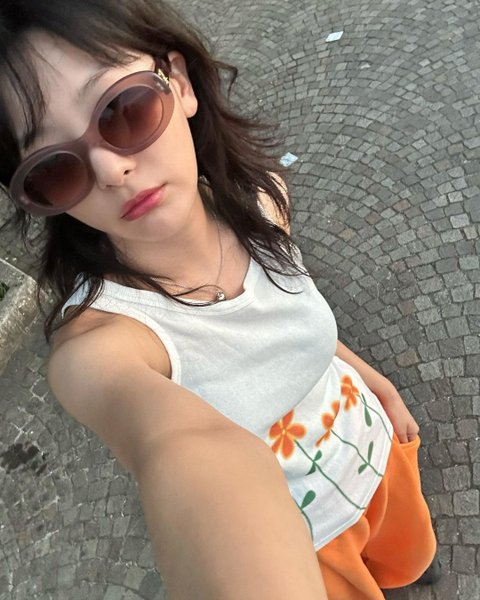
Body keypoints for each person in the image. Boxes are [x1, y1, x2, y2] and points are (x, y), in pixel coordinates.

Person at [0, 1, 439, 598]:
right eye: (55, 168)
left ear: (179, 84)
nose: (109, 169)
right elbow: (177, 447)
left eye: (123, 109)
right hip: (310, 547)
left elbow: (283, 319)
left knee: (412, 559)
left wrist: (373, 380)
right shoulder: (102, 348)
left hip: (376, 454)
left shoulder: (260, 203)